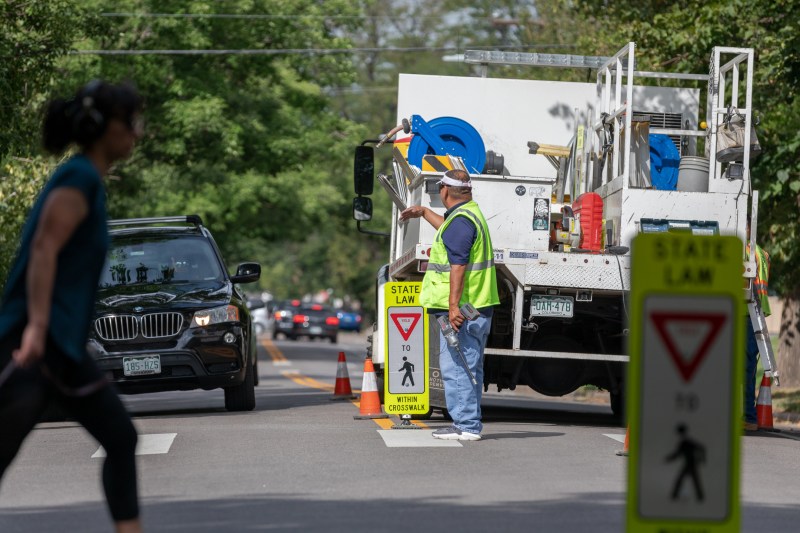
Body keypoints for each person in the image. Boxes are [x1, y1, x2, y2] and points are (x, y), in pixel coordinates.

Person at [0, 81, 144, 532]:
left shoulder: (90, 180)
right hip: (33, 347)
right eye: (131, 123)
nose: (137, 134)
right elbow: (44, 247)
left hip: (60, 351)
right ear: (105, 128)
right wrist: (37, 328)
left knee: (120, 439)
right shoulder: (79, 177)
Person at [400, 169, 499, 441]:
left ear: (444, 190)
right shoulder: (466, 215)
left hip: (461, 310)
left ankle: (466, 425)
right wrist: (422, 212)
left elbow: (458, 266)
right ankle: (468, 421)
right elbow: (446, 228)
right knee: (469, 365)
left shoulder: (460, 222)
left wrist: (453, 307)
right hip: (477, 306)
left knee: (458, 365)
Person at [744, 236, 771, 432]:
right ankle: (747, 415)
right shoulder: (761, 252)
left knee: (745, 365)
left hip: (746, 311)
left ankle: (749, 416)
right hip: (757, 311)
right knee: (749, 365)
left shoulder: (744, 251)